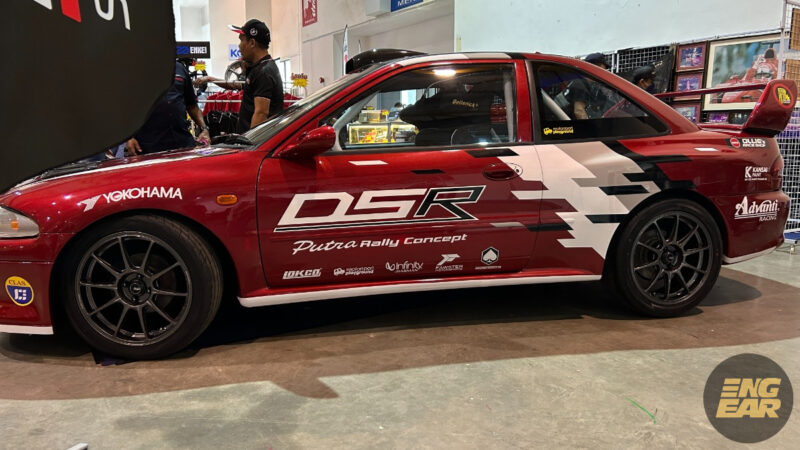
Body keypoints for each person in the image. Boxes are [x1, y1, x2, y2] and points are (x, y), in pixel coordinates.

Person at [195, 19, 284, 133]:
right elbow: (236, 85)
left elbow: (261, 113)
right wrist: (210, 79)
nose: (239, 46)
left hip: (253, 139)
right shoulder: (259, 68)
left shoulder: (264, 72)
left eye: (241, 40)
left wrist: (250, 142)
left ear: (252, 43)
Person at [126, 60, 210, 154]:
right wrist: (128, 137)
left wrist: (204, 129)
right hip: (147, 145)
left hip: (182, 142)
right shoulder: (135, 69)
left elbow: (192, 105)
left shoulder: (180, 68)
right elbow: (124, 108)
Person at [570, 52, 612, 119]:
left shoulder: (591, 85)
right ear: (595, 68)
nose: (605, 73)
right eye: (603, 70)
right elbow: (579, 111)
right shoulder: (580, 84)